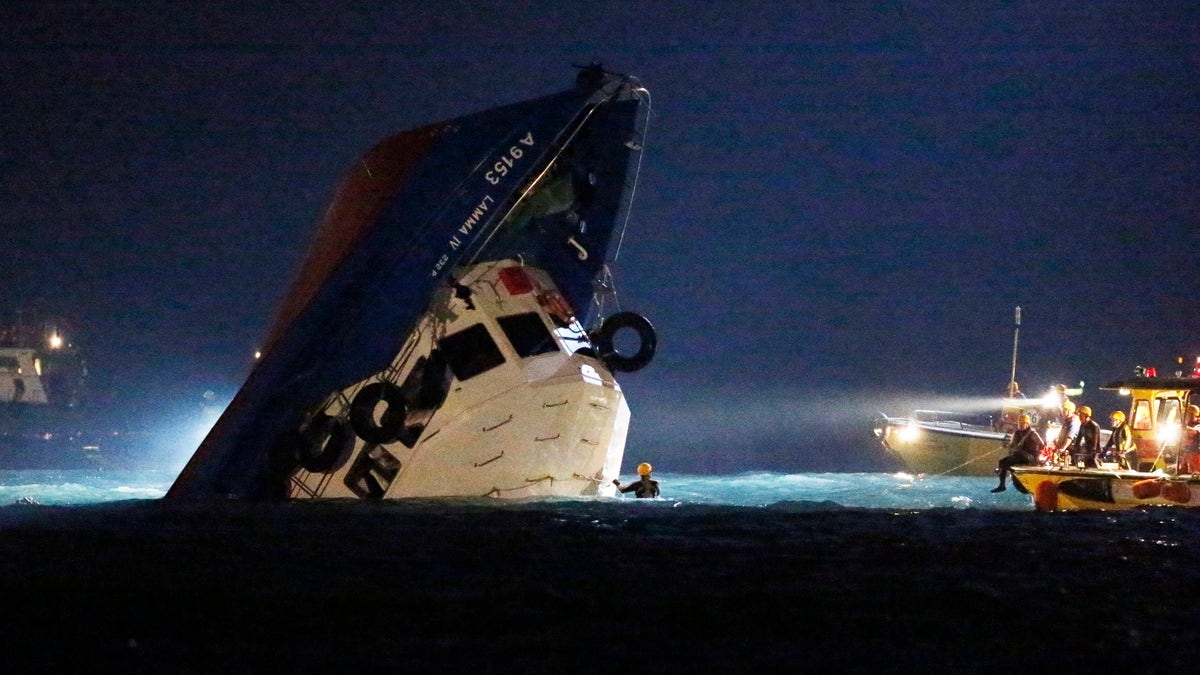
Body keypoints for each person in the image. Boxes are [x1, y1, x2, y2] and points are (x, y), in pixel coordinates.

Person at [991, 414, 1044, 493]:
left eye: (1023, 423)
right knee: (1001, 461)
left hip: (1028, 457)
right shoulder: (1016, 433)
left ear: (1027, 424)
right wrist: (1007, 445)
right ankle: (1002, 485)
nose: (1021, 425)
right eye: (1020, 423)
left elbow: (1041, 444)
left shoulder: (1032, 433)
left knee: (1007, 462)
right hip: (1018, 456)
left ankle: (1003, 478)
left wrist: (1037, 455)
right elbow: (1012, 445)